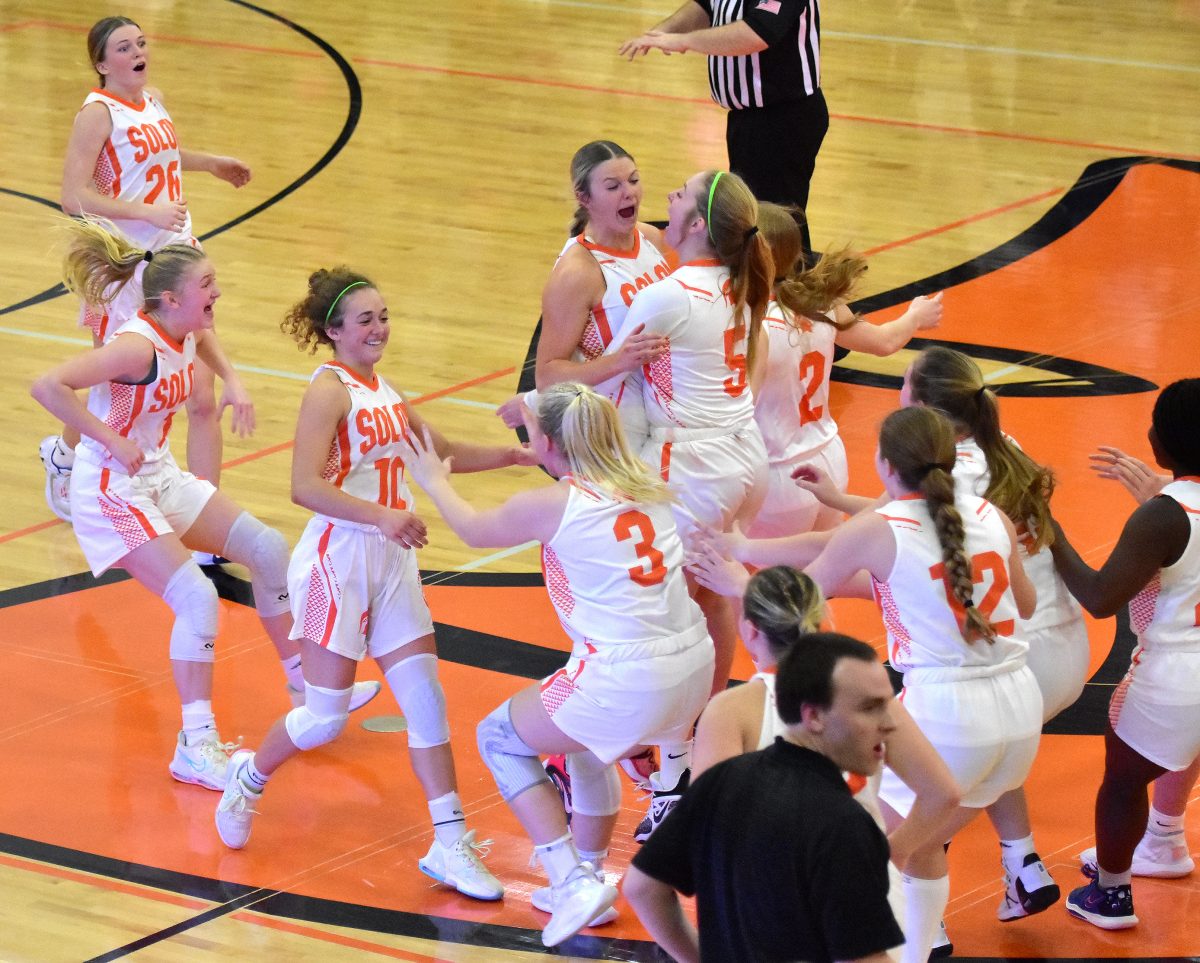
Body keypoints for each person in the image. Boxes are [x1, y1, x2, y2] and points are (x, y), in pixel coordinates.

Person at [212, 269, 533, 902]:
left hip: (391, 563)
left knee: (426, 698)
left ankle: (450, 842)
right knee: (324, 718)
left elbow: (440, 452)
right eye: (365, 319)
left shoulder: (383, 390)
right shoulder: (329, 390)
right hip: (339, 560)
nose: (379, 328)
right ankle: (248, 776)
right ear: (333, 330)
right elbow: (304, 486)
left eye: (383, 315)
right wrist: (384, 515)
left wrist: (518, 455)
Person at [30, 220, 377, 793]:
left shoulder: (183, 327)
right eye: (208, 284)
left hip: (156, 473)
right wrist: (108, 437)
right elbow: (47, 385)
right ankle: (195, 745)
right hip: (112, 488)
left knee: (267, 548)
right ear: (171, 299)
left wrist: (235, 382)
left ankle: (307, 688)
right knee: (195, 595)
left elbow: (203, 340)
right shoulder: (135, 346)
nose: (217, 293)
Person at [706, 406, 1046, 963]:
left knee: (871, 854)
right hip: (1019, 705)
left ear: (885, 465)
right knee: (924, 836)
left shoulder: (881, 528)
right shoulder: (988, 514)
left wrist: (740, 578)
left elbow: (800, 610)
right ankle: (924, 944)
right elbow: (1023, 603)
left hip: (950, 711)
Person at [406, 383, 715, 947]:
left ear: (547, 442)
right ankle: (591, 875)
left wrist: (435, 482)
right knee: (577, 738)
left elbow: (473, 530)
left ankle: (569, 879)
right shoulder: (651, 486)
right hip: (694, 665)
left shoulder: (554, 503)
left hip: (627, 674)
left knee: (499, 737)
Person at [40, 15, 252, 529]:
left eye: (141, 42)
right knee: (115, 390)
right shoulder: (95, 114)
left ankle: (206, 527)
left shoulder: (151, 97)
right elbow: (74, 197)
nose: (138, 51)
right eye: (124, 46)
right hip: (124, 267)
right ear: (101, 62)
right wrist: (145, 213)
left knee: (201, 398)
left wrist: (210, 163)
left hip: (176, 261)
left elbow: (161, 155)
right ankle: (64, 456)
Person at [624, 632, 904, 963]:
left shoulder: (721, 781)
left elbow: (642, 889)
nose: (889, 725)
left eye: (887, 705)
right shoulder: (842, 823)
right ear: (813, 716)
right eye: (870, 708)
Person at [1048, 378, 1200, 930]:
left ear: (1167, 440)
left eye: (1155, 423)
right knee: (1185, 748)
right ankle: (1163, 842)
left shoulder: (1162, 516)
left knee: (1122, 780)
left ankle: (1111, 895)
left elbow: (1099, 596)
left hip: (1173, 675)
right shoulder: (1168, 509)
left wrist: (1051, 530)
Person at [750, 203, 943, 538]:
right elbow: (884, 342)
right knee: (821, 575)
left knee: (772, 582)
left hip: (778, 473)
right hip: (828, 459)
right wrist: (915, 316)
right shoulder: (822, 304)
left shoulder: (750, 324)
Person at [497, 140, 670, 453]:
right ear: (583, 197)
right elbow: (548, 375)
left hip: (659, 415)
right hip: (610, 429)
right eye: (613, 186)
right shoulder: (577, 272)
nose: (629, 192)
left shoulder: (651, 238)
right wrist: (619, 362)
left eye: (633, 180)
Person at [620, 1, 827, 257]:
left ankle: (794, 289)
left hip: (784, 116)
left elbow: (758, 32)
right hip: (748, 117)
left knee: (775, 222)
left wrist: (685, 41)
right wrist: (662, 33)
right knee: (758, 217)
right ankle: (783, 286)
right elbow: (706, 6)